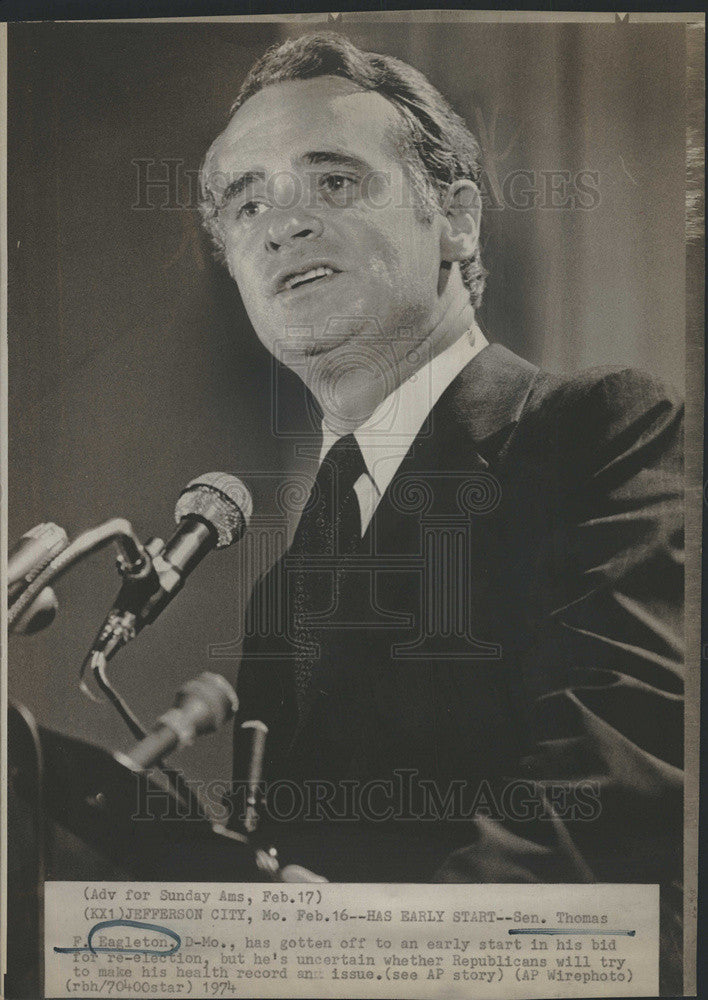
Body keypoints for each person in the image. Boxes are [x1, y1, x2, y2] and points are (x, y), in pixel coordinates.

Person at [199, 32, 684, 988]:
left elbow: (619, 792)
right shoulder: (284, 591)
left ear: (457, 219)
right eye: (246, 201)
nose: (280, 226)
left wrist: (358, 961)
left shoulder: (607, 433)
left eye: (333, 183)